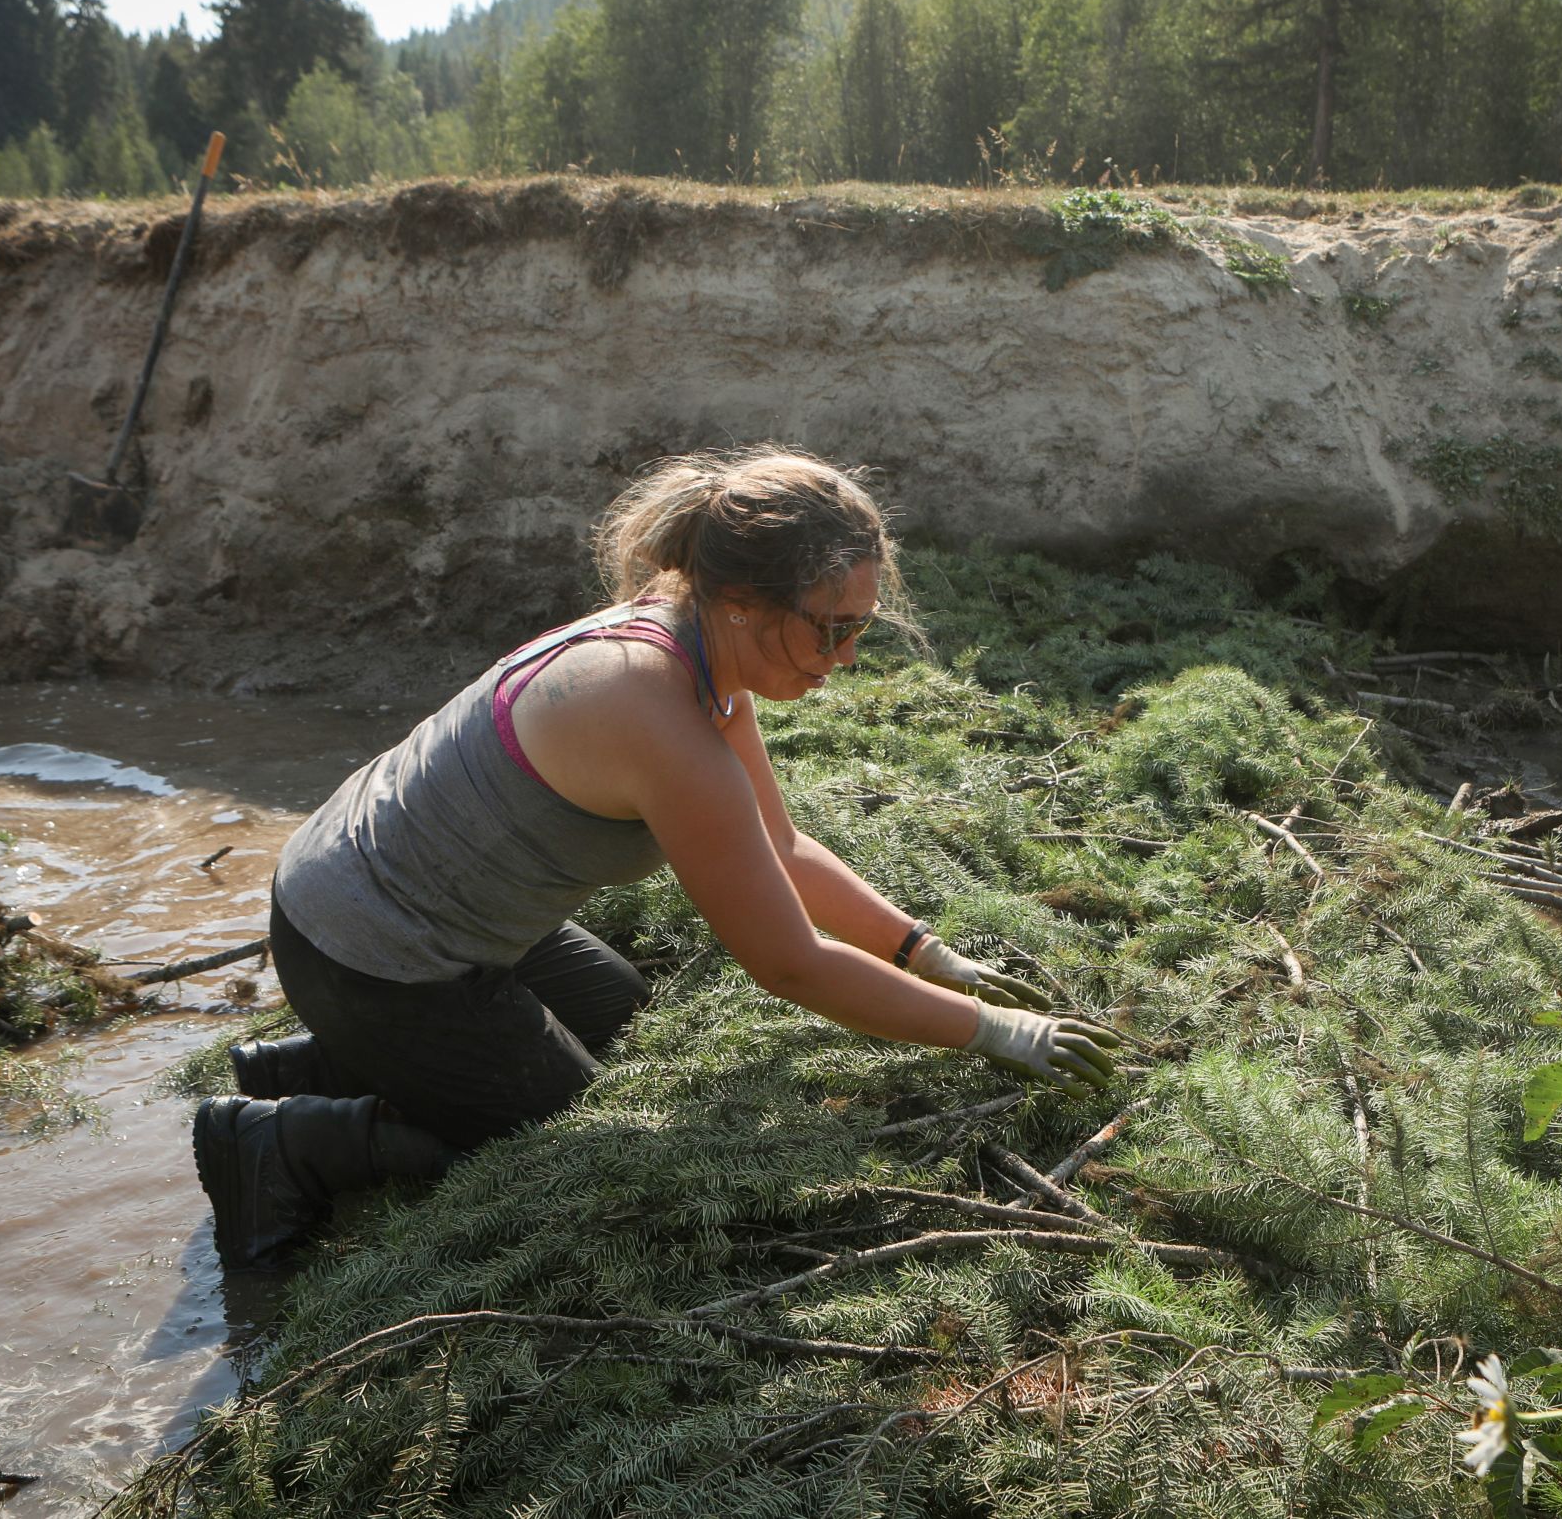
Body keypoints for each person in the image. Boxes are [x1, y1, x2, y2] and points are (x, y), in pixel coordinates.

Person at [193, 446, 1123, 1267]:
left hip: (413, 905)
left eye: (861, 628)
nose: (843, 656)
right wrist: (1001, 1032)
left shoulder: (705, 654)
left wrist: (924, 952)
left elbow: (784, 847)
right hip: (368, 946)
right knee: (573, 1147)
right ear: (741, 599)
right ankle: (285, 1141)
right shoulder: (650, 704)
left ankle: (308, 1063)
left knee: (628, 1025)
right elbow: (789, 962)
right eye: (830, 626)